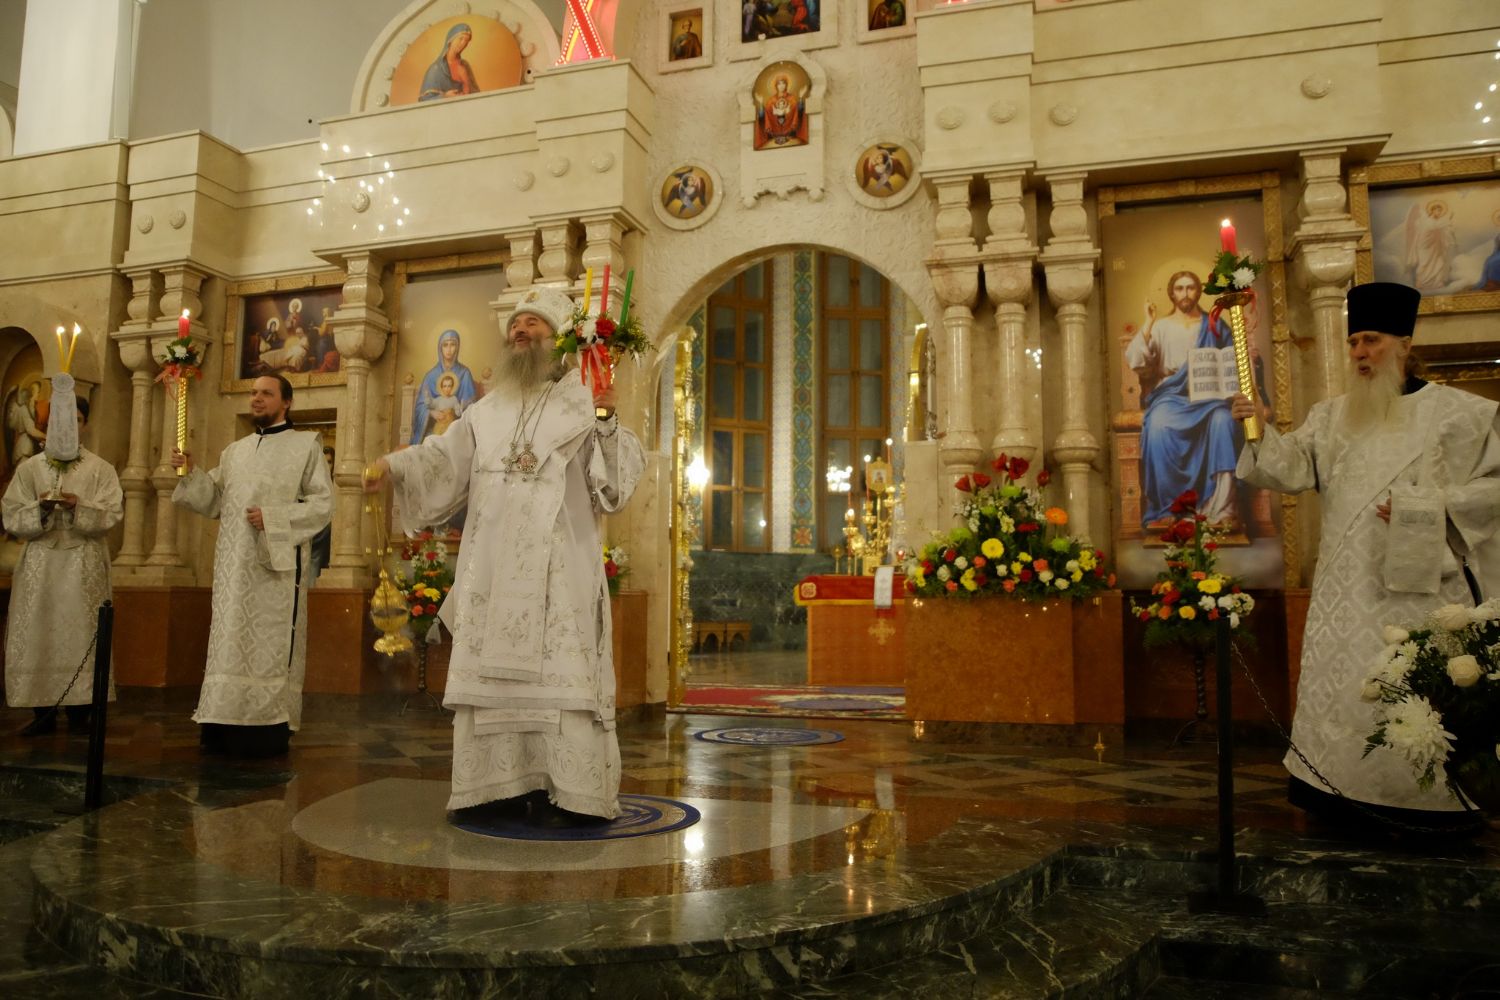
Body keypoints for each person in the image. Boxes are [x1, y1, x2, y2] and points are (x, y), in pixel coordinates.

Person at [365, 286, 644, 824]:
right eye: (516, 324)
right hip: (492, 570)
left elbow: (613, 487)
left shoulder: (583, 402)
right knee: (493, 687)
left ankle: (573, 791)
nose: (520, 330)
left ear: (560, 339)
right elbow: (443, 461)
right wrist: (393, 466)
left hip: (559, 572)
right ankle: (495, 787)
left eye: (534, 323)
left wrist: (607, 416)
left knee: (562, 681)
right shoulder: (484, 412)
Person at [1232, 281, 1500, 831]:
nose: (1359, 352)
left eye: (1371, 340)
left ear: (1404, 343)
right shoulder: (1332, 417)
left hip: (1421, 597)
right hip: (1345, 597)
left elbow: (1493, 491)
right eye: (1354, 341)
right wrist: (1258, 426)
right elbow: (1288, 468)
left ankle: (1423, 804)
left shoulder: (1462, 415)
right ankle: (1334, 793)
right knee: (1345, 698)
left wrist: (1429, 506)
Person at [171, 374, 333, 758]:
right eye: (254, 393)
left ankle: (266, 728)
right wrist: (191, 472)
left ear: (286, 402)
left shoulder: (305, 445)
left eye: (266, 393)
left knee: (268, 645)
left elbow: (323, 505)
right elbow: (214, 501)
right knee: (228, 641)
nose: (257, 399)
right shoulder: (234, 451)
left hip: (273, 571)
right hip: (233, 568)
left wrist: (274, 518)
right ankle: (221, 723)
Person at [3, 392, 122, 736]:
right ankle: (42, 711)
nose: (67, 426)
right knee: (39, 631)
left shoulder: (100, 469)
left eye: (75, 420)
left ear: (85, 425)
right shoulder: (30, 468)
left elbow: (112, 513)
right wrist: (40, 509)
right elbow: (11, 514)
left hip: (83, 562)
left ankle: (82, 711)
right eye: (58, 420)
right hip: (41, 563)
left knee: (82, 631)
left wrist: (77, 506)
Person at [1125, 270, 1246, 527]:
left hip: (1210, 397)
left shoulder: (1214, 325)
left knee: (1223, 421)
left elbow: (1232, 361)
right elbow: (1137, 362)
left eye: (1190, 288)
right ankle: (1166, 509)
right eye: (1179, 288)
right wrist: (1148, 323)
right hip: (1171, 396)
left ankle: (1222, 508)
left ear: (1198, 291)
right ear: (1171, 293)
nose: (1185, 294)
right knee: (1157, 427)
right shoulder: (1161, 326)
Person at [412, 329, 478, 444]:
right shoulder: (431, 376)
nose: (449, 349)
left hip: (456, 428)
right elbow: (420, 407)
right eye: (445, 345)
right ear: (440, 348)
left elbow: (471, 406)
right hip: (434, 429)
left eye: (453, 345)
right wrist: (431, 413)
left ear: (457, 347)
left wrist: (459, 409)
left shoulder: (464, 373)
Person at [1403, 198, 1457, 293]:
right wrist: (1448, 219)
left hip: (1435, 248)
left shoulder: (1436, 221)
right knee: (1424, 265)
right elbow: (1435, 227)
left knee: (1439, 262)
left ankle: (1437, 283)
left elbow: (1443, 230)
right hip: (1425, 248)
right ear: (1432, 211)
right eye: (1437, 210)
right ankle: (1422, 283)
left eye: (1440, 211)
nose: (1439, 213)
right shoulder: (1427, 221)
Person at [419, 22, 480, 102]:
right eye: (461, 39)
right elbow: (424, 100)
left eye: (466, 41)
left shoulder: (465, 65)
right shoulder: (436, 69)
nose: (463, 43)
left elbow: (477, 96)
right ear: (451, 40)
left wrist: (466, 82)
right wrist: (445, 96)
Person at [755, 74, 807, 148]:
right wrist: (760, 104)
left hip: (791, 135)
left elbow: (799, 112)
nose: (781, 86)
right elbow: (763, 117)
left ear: (786, 85)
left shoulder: (792, 99)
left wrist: (801, 98)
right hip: (774, 136)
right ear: (776, 86)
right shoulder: (771, 101)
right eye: (779, 84)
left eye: (783, 83)